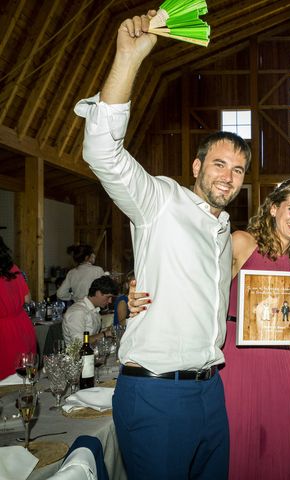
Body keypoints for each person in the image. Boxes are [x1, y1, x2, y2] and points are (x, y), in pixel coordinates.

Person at [74, 10, 251, 479]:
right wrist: (128, 60)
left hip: (212, 391)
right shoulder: (161, 201)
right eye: (218, 164)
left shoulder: (222, 230)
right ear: (196, 167)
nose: (227, 177)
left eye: (237, 171)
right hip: (156, 394)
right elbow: (102, 152)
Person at [129, 179, 290, 479]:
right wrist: (142, 293)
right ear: (273, 208)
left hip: (282, 362)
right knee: (235, 449)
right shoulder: (243, 242)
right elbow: (196, 281)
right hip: (238, 358)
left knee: (280, 447)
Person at [0, 236, 37, 380]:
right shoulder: (11, 268)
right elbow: (27, 299)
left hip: (4, 333)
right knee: (23, 378)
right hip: (21, 326)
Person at [62, 276, 118, 346]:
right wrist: (105, 334)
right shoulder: (78, 312)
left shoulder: (94, 309)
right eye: (108, 297)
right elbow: (79, 343)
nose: (110, 301)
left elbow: (94, 336)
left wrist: (106, 331)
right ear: (98, 293)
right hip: (77, 355)